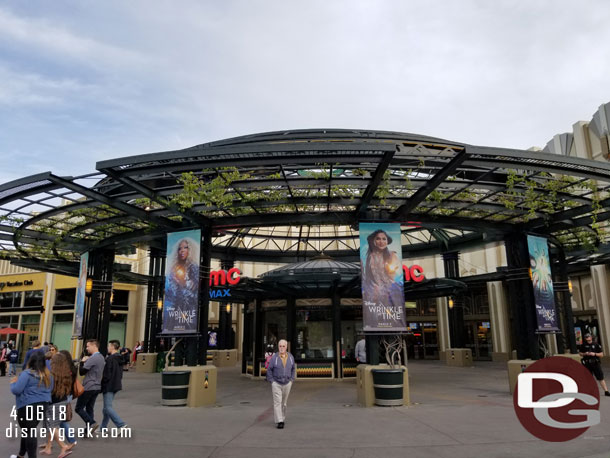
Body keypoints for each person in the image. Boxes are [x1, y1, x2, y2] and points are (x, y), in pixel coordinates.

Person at [10, 351, 53, 458]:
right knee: (28, 430)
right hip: (43, 404)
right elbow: (50, 389)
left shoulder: (26, 374)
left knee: (28, 431)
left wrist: (13, 382)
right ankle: (21, 454)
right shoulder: (48, 375)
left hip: (27, 405)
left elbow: (16, 390)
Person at [39, 353, 73, 458]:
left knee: (52, 426)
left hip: (52, 402)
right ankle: (48, 447)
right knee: (53, 425)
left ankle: (63, 446)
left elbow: (48, 389)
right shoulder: (66, 374)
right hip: (62, 401)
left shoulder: (51, 375)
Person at [362, 229, 403, 310]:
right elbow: (368, 277)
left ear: (387, 241)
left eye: (384, 239)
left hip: (389, 292)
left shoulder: (392, 255)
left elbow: (393, 276)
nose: (381, 241)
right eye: (378, 239)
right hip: (372, 293)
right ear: (374, 241)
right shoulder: (370, 257)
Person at [163, 239, 199, 331]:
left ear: (190, 250)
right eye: (179, 248)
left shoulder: (193, 267)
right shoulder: (174, 268)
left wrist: (183, 283)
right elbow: (169, 291)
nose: (182, 250)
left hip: (189, 309)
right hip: (175, 309)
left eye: (185, 248)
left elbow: (194, 289)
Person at [75, 339, 105, 433]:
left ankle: (91, 422)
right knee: (89, 408)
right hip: (97, 386)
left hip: (89, 385)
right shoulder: (101, 357)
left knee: (78, 408)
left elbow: (82, 372)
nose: (87, 348)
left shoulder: (93, 358)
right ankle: (89, 429)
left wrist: (82, 362)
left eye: (88, 346)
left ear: (94, 346)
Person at [266, 339, 296, 429]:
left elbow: (293, 368)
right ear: (278, 347)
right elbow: (269, 370)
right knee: (277, 402)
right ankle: (280, 421)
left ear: (286, 347)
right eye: (280, 346)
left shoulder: (290, 357)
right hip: (276, 383)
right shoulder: (274, 357)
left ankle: (282, 418)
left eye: (283, 346)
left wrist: (291, 380)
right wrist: (272, 381)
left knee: (284, 403)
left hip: (287, 383)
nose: (282, 348)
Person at [101, 340, 127, 431]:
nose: (108, 348)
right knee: (106, 408)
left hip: (109, 385)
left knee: (107, 407)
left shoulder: (110, 359)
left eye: (109, 346)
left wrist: (102, 383)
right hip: (116, 384)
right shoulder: (120, 358)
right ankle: (102, 427)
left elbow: (107, 374)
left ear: (112, 347)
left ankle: (121, 424)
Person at [57, 350, 78, 449]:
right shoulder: (72, 368)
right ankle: (49, 442)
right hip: (68, 394)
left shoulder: (64, 369)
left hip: (63, 395)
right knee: (60, 419)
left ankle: (71, 440)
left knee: (61, 420)